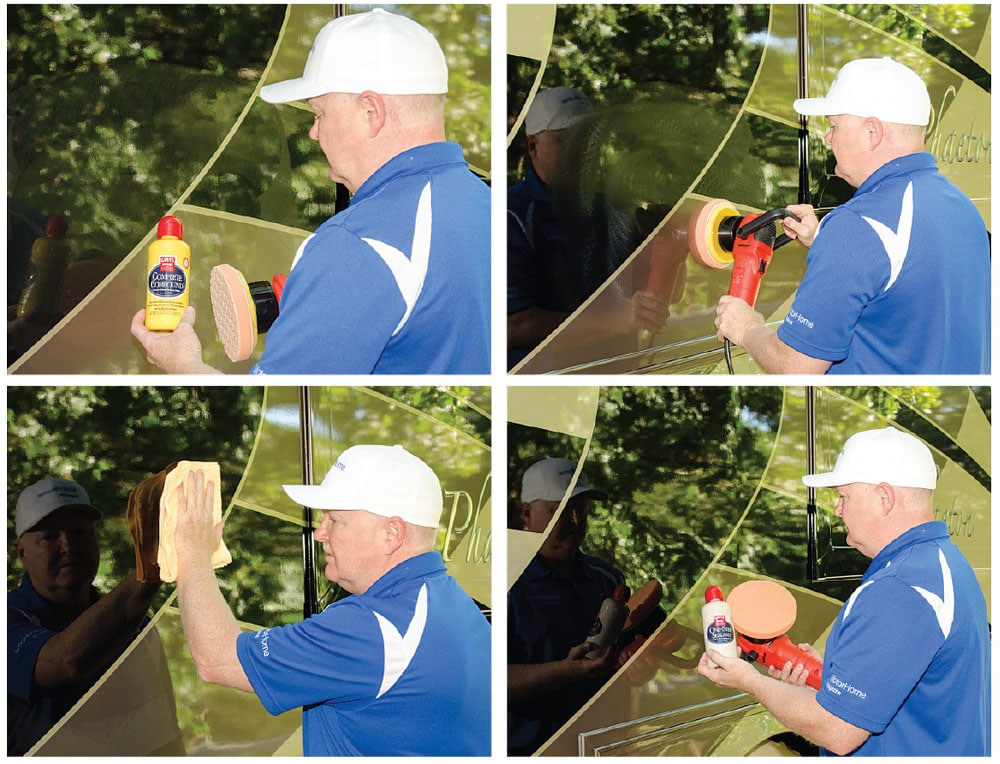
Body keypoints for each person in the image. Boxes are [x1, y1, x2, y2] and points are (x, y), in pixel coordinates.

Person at [131, 9, 489, 374]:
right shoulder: (489, 205)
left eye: (319, 114)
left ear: (371, 112)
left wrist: (181, 363)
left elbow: (276, 415)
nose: (313, 133)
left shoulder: (358, 243)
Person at [173, 444, 490, 756]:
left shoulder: (371, 628)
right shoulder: (460, 608)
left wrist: (193, 553)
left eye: (335, 520)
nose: (319, 533)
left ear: (392, 533)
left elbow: (217, 660)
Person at [698, 427, 990, 755]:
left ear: (884, 497)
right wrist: (839, 670)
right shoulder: (941, 561)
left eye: (844, 497)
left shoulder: (899, 589)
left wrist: (749, 681)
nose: (837, 510)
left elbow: (838, 731)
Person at [714, 57, 990, 374]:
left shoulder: (858, 228)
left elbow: (795, 366)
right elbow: (907, 279)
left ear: (872, 131)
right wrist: (823, 240)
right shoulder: (961, 207)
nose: (828, 138)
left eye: (834, 126)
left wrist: (747, 328)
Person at [8, 477, 182, 755]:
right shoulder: (9, 619)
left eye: (80, 532)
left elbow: (164, 731)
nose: (69, 545)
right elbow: (64, 663)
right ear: (21, 552)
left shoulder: (138, 629)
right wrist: (153, 565)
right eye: (50, 536)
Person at [507, 87, 671, 368]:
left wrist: (664, 246)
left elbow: (655, 301)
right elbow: (513, 327)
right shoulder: (510, 214)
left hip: (617, 380)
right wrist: (616, 321)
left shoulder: (617, 209)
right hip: (547, 390)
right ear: (532, 145)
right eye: (565, 140)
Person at [507, 457, 661, 755]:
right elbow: (483, 685)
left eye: (582, 509)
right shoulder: (500, 584)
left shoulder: (607, 578)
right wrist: (568, 671)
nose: (576, 521)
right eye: (562, 510)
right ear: (527, 513)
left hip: (605, 749)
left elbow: (633, 656)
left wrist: (642, 668)